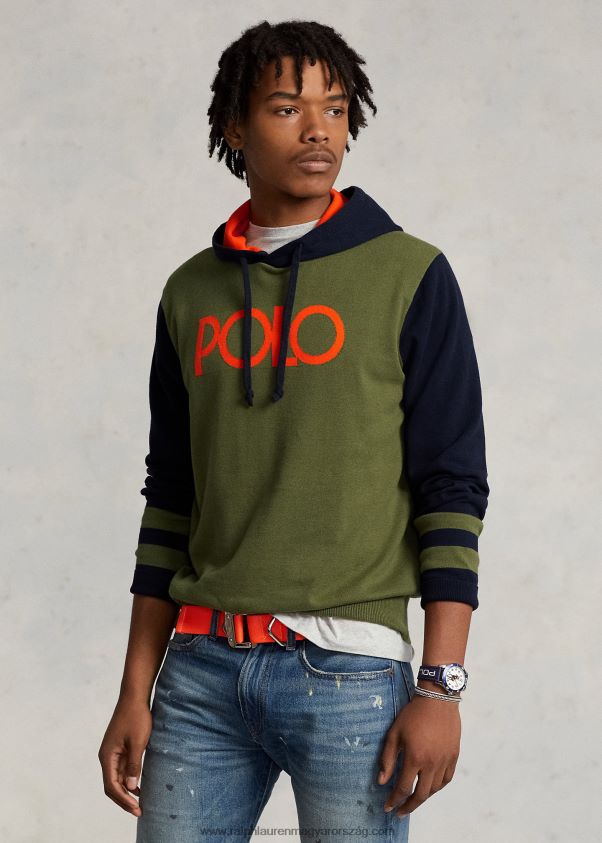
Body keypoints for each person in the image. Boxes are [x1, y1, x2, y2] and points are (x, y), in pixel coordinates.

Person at [98, 18, 489, 842]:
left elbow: (451, 487)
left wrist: (441, 685)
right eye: (286, 107)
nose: (318, 130)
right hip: (199, 674)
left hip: (351, 671)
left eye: (335, 108)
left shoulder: (410, 274)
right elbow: (170, 499)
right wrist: (136, 689)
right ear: (235, 128)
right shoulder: (190, 293)